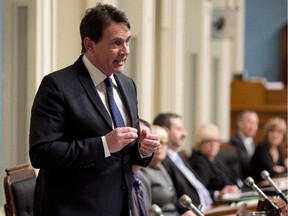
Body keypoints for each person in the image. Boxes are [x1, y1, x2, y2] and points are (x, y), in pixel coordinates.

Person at [29, 3, 160, 216]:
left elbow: (124, 154)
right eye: (116, 43)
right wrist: (103, 145)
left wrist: (142, 150)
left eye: (127, 42)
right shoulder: (58, 85)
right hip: (74, 209)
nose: (125, 51)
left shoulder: (127, 85)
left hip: (121, 207)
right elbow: (42, 153)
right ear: (89, 44)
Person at [153, 113, 214, 212]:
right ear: (166, 130)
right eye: (179, 129)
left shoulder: (179, 156)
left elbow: (196, 188)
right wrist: (197, 209)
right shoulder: (161, 160)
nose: (184, 134)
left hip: (209, 208)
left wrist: (217, 194)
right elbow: (172, 198)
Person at [188, 123, 240, 196]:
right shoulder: (199, 162)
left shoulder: (216, 159)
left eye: (215, 141)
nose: (213, 145)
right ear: (199, 143)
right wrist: (218, 193)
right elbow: (199, 192)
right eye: (208, 141)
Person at [249, 117, 287, 183]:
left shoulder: (279, 149)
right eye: (272, 131)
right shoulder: (262, 148)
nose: (275, 135)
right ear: (267, 133)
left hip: (270, 186)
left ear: (283, 135)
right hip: (256, 187)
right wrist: (276, 169)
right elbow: (270, 171)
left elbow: (286, 170)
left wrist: (279, 168)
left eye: (279, 132)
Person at [131, 119, 152, 216]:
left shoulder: (143, 179)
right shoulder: (113, 181)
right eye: (139, 138)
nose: (143, 144)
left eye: (148, 140)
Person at [229, 110, 259, 178]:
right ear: (240, 123)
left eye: (256, 123)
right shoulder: (232, 143)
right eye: (250, 122)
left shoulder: (256, 144)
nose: (253, 127)